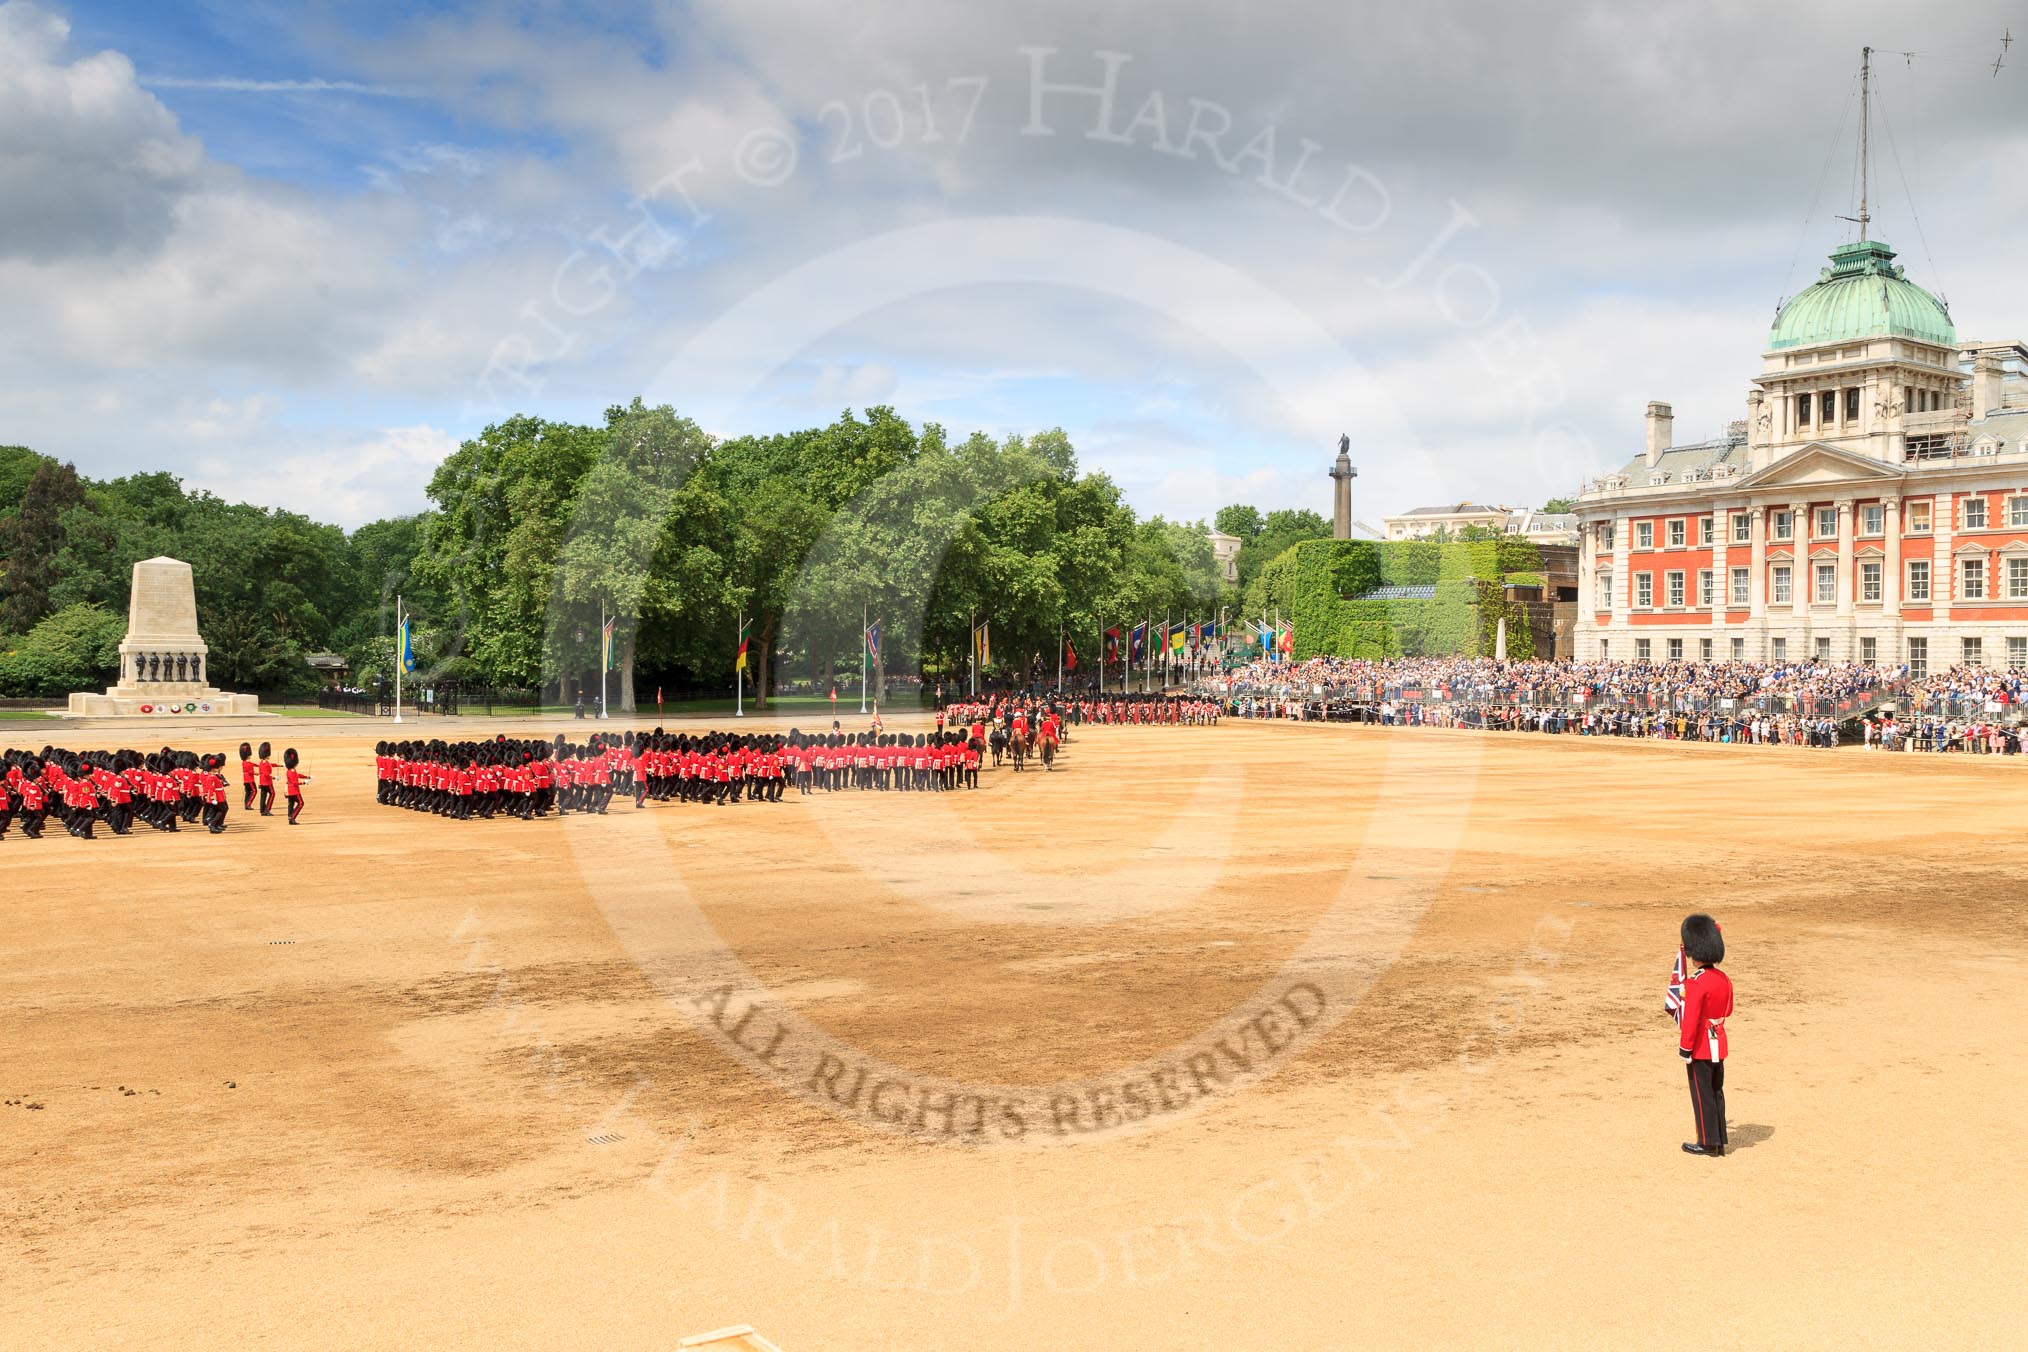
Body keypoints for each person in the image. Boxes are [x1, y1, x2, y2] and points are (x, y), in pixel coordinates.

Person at [1676, 913, 1732, 1158]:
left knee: (1702, 1094)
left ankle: (1707, 1142)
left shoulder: (1696, 983)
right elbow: (1728, 1009)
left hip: (1700, 1046)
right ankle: (1719, 1140)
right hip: (1718, 1042)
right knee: (1716, 1091)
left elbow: (1691, 1020)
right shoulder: (1723, 979)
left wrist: (1685, 1048)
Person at [283, 747, 312, 825]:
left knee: (291, 804)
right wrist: (304, 783)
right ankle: (292, 818)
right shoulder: (292, 771)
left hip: (290, 790)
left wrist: (307, 777)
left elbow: (298, 775)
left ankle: (290, 817)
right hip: (294, 791)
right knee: (301, 803)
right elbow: (295, 783)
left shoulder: (290, 771)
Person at [256, 742, 276, 816]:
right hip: (267, 782)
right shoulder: (266, 763)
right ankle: (267, 809)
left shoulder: (261, 762)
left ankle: (262, 810)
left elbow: (271, 765)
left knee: (263, 796)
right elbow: (267, 774)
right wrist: (274, 777)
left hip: (262, 782)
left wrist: (279, 765)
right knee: (272, 794)